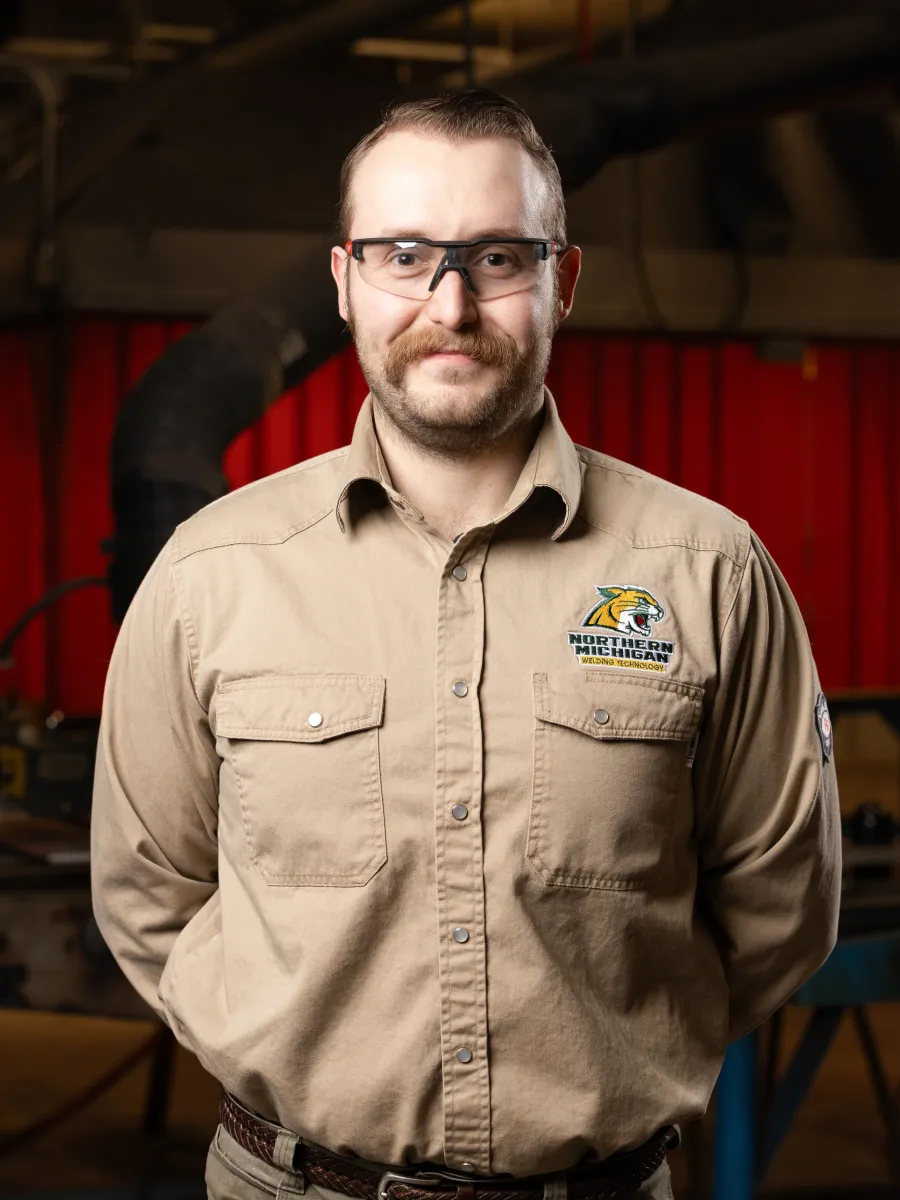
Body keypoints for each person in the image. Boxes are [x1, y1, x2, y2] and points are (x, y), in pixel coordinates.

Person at [91, 90, 841, 1200]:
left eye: (497, 256)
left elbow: (782, 909)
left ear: (561, 281)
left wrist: (614, 1055)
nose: (450, 301)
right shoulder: (211, 575)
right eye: (405, 254)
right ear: (343, 282)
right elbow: (144, 892)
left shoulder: (710, 574)